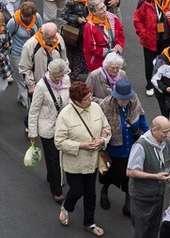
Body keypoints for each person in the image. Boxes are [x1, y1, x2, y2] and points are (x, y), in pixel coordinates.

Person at [54, 81, 111, 236]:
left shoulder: (96, 108)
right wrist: (82, 146)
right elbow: (59, 142)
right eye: (86, 99)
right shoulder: (65, 115)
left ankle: (89, 223)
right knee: (77, 190)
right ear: (76, 101)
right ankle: (66, 207)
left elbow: (107, 128)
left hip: (92, 162)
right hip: (74, 163)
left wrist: (102, 140)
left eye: (90, 96)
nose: (90, 100)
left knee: (91, 193)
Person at [99, 79, 148, 216]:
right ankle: (104, 191)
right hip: (113, 148)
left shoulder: (134, 99)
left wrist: (148, 134)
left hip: (131, 146)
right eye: (122, 99)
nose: (125, 101)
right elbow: (100, 126)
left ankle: (128, 204)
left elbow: (142, 116)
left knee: (129, 176)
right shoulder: (105, 105)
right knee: (109, 175)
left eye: (127, 98)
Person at [27, 58, 71, 202]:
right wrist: (32, 132)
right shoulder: (41, 86)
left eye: (61, 76)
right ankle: (56, 191)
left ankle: (52, 176)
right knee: (52, 158)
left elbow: (69, 101)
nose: (59, 80)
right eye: (56, 77)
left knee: (61, 155)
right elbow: (34, 110)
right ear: (50, 73)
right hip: (47, 127)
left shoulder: (66, 80)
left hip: (63, 126)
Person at [127, 116, 170, 238]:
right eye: (164, 132)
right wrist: (155, 176)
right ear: (154, 130)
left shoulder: (166, 143)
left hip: (158, 195)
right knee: (141, 231)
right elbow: (131, 171)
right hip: (142, 197)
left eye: (168, 131)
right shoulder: (141, 146)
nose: (168, 135)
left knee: (154, 229)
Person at [19, 22, 69, 106]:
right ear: (41, 33)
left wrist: (65, 77)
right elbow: (25, 68)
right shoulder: (30, 45)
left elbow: (64, 60)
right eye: (48, 37)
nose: (52, 40)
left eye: (54, 36)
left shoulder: (59, 39)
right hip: (39, 86)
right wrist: (31, 85)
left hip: (57, 84)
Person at [6, 1, 43, 107]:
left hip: (33, 52)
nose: (26, 19)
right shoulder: (13, 22)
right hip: (17, 53)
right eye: (24, 16)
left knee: (32, 76)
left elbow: (40, 32)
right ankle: (28, 103)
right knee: (23, 79)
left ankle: (21, 96)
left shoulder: (37, 17)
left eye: (29, 17)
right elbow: (7, 36)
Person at [60, 0, 95, 80]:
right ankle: (73, 73)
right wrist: (77, 19)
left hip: (87, 31)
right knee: (74, 53)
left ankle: (84, 70)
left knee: (85, 51)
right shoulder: (72, 0)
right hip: (74, 32)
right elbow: (63, 14)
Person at [83, 0, 125, 72]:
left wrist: (117, 49)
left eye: (104, 6)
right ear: (94, 12)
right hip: (98, 61)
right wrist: (108, 51)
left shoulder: (113, 18)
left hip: (113, 55)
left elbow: (120, 35)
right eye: (100, 9)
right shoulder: (89, 27)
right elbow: (91, 47)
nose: (104, 10)